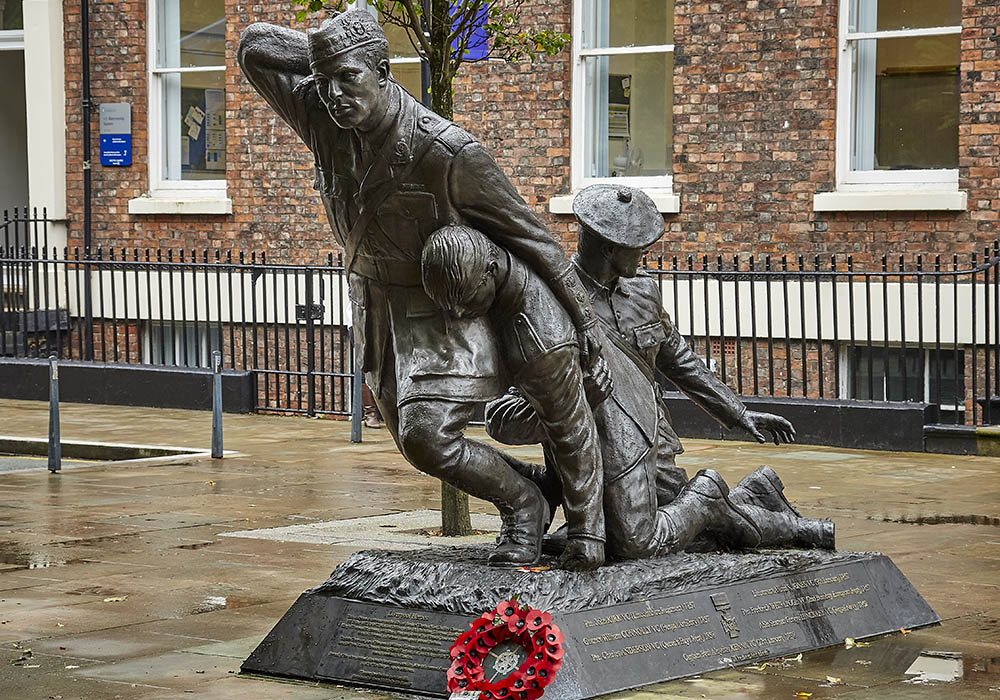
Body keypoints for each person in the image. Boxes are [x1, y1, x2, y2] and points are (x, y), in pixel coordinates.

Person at [238, 11, 605, 567]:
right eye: (326, 81)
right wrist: (328, 53)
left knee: (426, 436)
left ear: (385, 73)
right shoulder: (320, 114)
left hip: (440, 310)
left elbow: (538, 242)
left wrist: (587, 325)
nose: (334, 94)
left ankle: (525, 504)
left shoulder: (449, 153)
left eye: (350, 78)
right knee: (415, 445)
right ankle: (530, 486)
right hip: (376, 308)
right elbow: (254, 47)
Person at [485, 185, 834, 558]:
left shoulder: (644, 294)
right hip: (585, 458)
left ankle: (761, 509)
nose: (646, 252)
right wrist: (578, 400)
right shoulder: (549, 305)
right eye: (639, 244)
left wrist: (738, 412)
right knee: (673, 533)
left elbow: (681, 361)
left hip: (652, 445)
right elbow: (502, 418)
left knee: (681, 533)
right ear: (610, 248)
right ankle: (766, 507)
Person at [421, 225, 609, 570]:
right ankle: (542, 486)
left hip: (608, 441)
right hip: (535, 396)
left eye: (465, 300)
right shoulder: (490, 280)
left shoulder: (541, 340)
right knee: (496, 422)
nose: (459, 315)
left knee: (560, 428)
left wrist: (587, 535)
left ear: (491, 271)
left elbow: (576, 437)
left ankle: (546, 501)